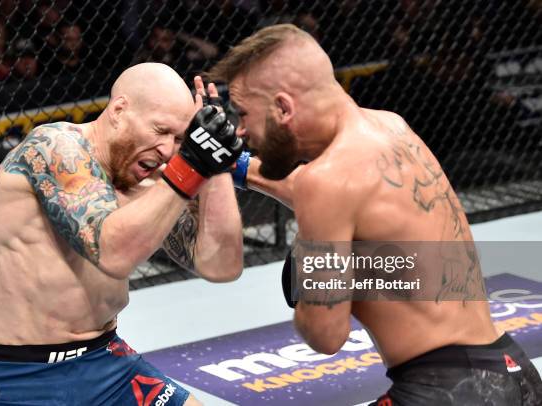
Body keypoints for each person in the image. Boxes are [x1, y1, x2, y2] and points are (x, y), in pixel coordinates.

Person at [207, 24, 542, 405]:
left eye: (245, 114)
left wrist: (310, 274)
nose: (241, 129)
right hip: (510, 370)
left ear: (283, 108)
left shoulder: (326, 180)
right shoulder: (390, 126)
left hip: (445, 392)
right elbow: (333, 192)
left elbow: (325, 336)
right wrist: (231, 162)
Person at [0, 63, 244, 405]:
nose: (167, 150)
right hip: (20, 377)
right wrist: (192, 163)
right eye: (160, 130)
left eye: (179, 139)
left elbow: (221, 265)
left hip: (108, 363)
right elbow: (112, 252)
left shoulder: (151, 181)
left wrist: (216, 158)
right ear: (118, 111)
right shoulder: (55, 149)